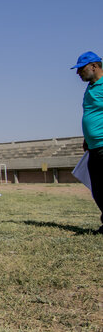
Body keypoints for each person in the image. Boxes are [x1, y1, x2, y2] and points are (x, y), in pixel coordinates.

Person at [72, 51, 103, 234]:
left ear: (94, 66)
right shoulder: (91, 87)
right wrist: (87, 137)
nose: (78, 74)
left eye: (81, 69)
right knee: (98, 189)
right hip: (93, 148)